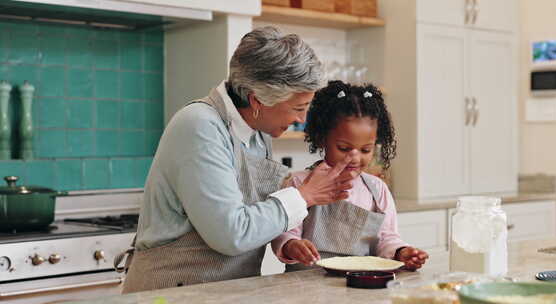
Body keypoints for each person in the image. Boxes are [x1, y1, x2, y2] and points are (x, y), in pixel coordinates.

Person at [120, 27, 358, 293]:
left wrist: (289, 241)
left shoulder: (258, 133)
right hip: (170, 292)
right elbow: (232, 234)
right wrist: (303, 196)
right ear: (257, 100)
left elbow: (261, 221)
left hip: (226, 291)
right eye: (298, 108)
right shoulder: (200, 126)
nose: (301, 120)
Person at [271, 81, 429, 272]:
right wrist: (292, 246)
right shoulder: (299, 183)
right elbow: (283, 233)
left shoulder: (376, 189)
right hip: (306, 287)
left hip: (358, 285)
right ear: (322, 139)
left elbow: (387, 238)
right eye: (344, 148)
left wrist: (401, 252)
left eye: (366, 150)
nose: (354, 157)